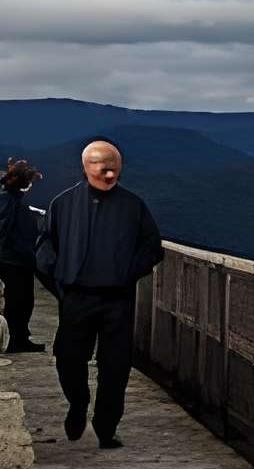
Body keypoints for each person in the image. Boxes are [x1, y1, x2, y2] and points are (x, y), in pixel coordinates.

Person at [36, 141, 162, 448]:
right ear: (86, 166)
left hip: (117, 299)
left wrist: (127, 274)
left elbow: (152, 248)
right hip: (77, 297)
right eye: (102, 168)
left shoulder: (133, 205)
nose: (109, 174)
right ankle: (78, 403)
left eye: (114, 169)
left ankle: (107, 427)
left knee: (115, 366)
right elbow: (44, 249)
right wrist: (61, 285)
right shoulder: (62, 204)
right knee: (68, 358)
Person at [0, 161, 37, 355]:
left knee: (23, 301)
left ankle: (20, 338)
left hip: (18, 259)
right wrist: (14, 251)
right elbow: (0, 229)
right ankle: (17, 340)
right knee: (18, 301)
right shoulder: (5, 199)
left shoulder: (11, 198)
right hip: (11, 260)